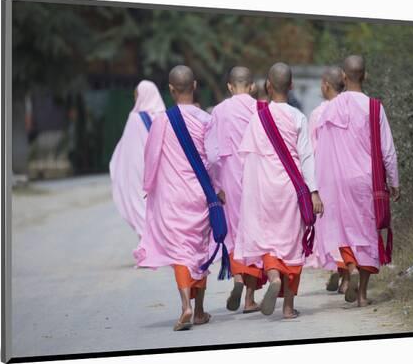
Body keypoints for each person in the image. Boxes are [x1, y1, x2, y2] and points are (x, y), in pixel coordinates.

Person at [235, 62, 323, 319]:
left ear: (267, 86)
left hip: (264, 190)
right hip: (291, 188)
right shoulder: (298, 117)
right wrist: (314, 191)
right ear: (292, 85)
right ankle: (287, 307)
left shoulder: (258, 117)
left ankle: (273, 276)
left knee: (270, 243)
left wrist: (249, 196)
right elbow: (307, 157)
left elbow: (248, 160)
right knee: (292, 243)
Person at [133, 66, 216, 330]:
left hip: (172, 196)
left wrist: (148, 185)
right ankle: (200, 310)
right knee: (199, 250)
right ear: (194, 86)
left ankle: (186, 307)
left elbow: (152, 155)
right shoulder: (206, 119)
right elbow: (213, 160)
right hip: (200, 194)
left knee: (181, 252)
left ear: (170, 89)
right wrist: (218, 190)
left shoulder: (162, 120)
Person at [315, 55, 400, 307]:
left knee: (343, 231)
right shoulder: (375, 107)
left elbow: (322, 149)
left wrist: (318, 188)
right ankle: (362, 295)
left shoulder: (329, 109)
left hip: (337, 182)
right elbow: (387, 150)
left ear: (343, 76)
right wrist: (394, 180)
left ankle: (349, 267)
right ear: (365, 75)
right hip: (366, 182)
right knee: (366, 234)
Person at [205, 66, 263, 313]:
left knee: (235, 233)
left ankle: (238, 279)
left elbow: (212, 154)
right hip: (257, 177)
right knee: (255, 233)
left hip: (229, 177)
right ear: (251, 86)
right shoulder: (262, 109)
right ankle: (249, 298)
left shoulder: (218, 111)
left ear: (229, 87)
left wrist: (216, 185)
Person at [305, 67, 350, 293]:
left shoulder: (318, 113)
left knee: (333, 228)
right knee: (350, 226)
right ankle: (346, 274)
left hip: (327, 178)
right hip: (352, 176)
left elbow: (311, 151)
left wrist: (312, 189)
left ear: (325, 85)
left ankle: (341, 272)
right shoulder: (352, 107)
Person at [109, 80, 166, 238]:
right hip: (163, 172)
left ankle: (147, 246)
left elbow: (128, 151)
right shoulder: (164, 117)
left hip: (140, 173)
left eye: (136, 96)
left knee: (141, 207)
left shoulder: (135, 119)